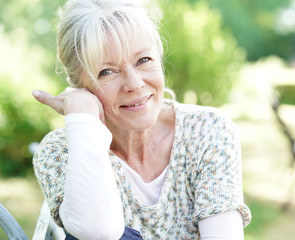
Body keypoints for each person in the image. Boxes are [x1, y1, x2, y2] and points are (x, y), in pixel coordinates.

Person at [32, 0, 252, 239]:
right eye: (107, 72)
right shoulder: (59, 152)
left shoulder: (207, 131)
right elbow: (98, 232)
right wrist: (82, 119)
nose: (135, 84)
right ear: (79, 86)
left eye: (143, 60)